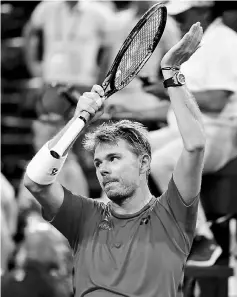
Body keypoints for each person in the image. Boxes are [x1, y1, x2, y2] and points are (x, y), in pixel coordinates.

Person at [24, 23, 205, 297]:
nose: (104, 169)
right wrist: (78, 121)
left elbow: (194, 145)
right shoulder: (85, 217)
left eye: (114, 158)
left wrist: (171, 73)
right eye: (98, 163)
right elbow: (36, 182)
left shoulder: (172, 216)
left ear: (144, 163)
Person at [149, 0, 237, 266]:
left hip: (219, 134)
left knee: (163, 163)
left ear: (203, 10)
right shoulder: (193, 45)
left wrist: (168, 87)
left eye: (183, 14)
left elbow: (216, 100)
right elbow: (182, 103)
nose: (178, 21)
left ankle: (201, 239)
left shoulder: (225, 42)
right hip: (185, 129)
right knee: (131, 149)